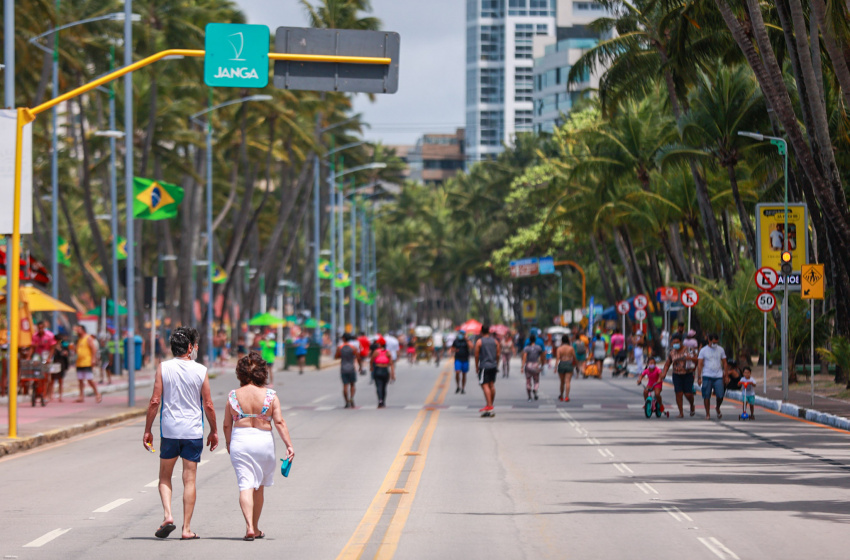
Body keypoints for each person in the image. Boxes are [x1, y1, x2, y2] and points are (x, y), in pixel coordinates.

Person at [143, 327, 218, 540]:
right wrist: (213, 430)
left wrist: (147, 430)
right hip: (193, 431)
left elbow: (155, 401)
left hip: (169, 429)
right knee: (190, 479)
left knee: (164, 476)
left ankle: (168, 515)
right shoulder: (201, 370)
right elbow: (209, 404)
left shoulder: (163, 368)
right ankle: (186, 529)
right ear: (189, 348)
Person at [223, 352, 294, 540]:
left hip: (241, 440)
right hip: (263, 442)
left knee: (245, 485)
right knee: (259, 487)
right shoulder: (271, 396)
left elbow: (226, 424)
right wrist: (289, 445)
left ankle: (248, 526)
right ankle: (255, 526)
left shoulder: (233, 396)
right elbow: (279, 422)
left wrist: (229, 443)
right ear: (263, 373)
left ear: (241, 373)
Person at [662, 333, 696, 418]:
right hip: (676, 374)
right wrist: (664, 373)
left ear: (681, 342)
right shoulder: (672, 352)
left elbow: (698, 360)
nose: (675, 344)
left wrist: (690, 358)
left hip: (688, 374)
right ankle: (681, 412)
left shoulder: (689, 350)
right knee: (678, 393)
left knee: (688, 394)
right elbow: (667, 364)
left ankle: (692, 404)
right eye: (673, 343)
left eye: (677, 342)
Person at [697, 333, 728, 420]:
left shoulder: (720, 350)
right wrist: (699, 377)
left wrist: (726, 375)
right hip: (707, 375)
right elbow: (699, 364)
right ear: (709, 341)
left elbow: (724, 362)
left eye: (716, 342)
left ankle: (717, 407)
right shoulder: (703, 350)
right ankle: (707, 413)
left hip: (718, 375)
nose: (715, 344)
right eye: (713, 342)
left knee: (720, 394)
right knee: (706, 395)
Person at [474, 325, 501, 417]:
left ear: (481, 332)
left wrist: (476, 366)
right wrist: (496, 364)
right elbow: (498, 354)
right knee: (491, 385)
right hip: (493, 365)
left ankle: (489, 406)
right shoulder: (495, 341)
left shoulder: (479, 342)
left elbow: (476, 355)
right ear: (489, 332)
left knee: (485, 385)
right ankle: (490, 406)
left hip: (484, 366)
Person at [73, 324, 101, 403]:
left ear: (83, 330)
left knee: (89, 380)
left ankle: (97, 394)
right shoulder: (79, 340)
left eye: (79, 329)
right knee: (80, 380)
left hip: (87, 362)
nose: (77, 331)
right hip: (79, 362)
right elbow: (77, 351)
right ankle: (81, 396)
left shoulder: (88, 338)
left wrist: (93, 359)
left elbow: (93, 349)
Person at [336, 333, 362, 408]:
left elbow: (336, 356)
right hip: (351, 368)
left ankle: (346, 401)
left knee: (345, 385)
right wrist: (360, 366)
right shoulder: (353, 348)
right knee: (352, 384)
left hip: (343, 368)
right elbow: (358, 357)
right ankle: (352, 398)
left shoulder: (340, 347)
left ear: (343, 338)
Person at [370, 337, 396, 408]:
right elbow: (391, 364)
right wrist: (393, 374)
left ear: (379, 345)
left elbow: (371, 361)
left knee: (378, 386)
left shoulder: (376, 352)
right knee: (384, 387)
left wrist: (371, 368)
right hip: (385, 371)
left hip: (378, 370)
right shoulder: (388, 352)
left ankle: (380, 400)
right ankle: (383, 401)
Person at [522, 335, 545, 401]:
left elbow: (524, 357)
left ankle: (529, 397)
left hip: (528, 365)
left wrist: (522, 366)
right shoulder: (538, 348)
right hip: (535, 365)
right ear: (535, 340)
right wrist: (542, 364)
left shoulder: (526, 348)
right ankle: (535, 389)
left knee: (528, 381)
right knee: (536, 381)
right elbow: (542, 355)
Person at [556, 334, 578, 402]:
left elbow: (557, 358)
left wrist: (555, 367)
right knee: (567, 381)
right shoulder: (571, 348)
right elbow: (574, 357)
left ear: (562, 341)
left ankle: (561, 396)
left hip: (562, 364)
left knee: (562, 382)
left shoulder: (559, 348)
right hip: (569, 364)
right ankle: (567, 397)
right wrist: (576, 365)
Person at [49, 333, 70, 402]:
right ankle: (51, 394)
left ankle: (60, 395)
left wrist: (65, 352)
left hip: (61, 364)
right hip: (54, 363)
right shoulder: (53, 346)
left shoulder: (64, 345)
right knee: (52, 380)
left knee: (60, 380)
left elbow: (67, 353)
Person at [451, 330, 472, 394]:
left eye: (462, 334)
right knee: (457, 372)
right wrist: (454, 350)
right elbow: (452, 348)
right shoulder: (456, 341)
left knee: (464, 374)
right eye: (460, 334)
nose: (461, 335)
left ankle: (463, 388)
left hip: (465, 359)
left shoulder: (466, 341)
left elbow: (471, 346)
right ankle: (458, 386)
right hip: (458, 359)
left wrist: (467, 339)